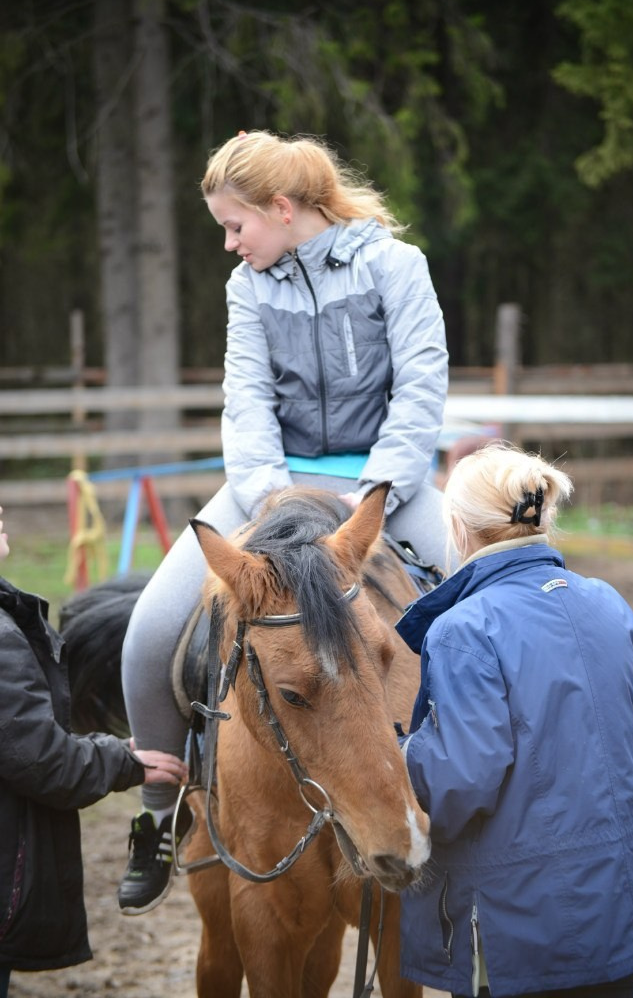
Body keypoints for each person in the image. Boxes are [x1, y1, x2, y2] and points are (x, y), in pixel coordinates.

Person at [118, 128, 450, 914]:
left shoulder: (396, 267)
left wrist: (379, 490)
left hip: (384, 487)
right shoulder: (247, 288)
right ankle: (158, 816)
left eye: (236, 227)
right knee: (147, 633)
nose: (230, 246)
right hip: (267, 487)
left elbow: (420, 387)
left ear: (280, 206)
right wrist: (271, 497)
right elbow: (248, 401)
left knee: (479, 608)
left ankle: (479, 815)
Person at [395, 442, 633, 998]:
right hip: (617, 906)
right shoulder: (608, 603)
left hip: (518, 927)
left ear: (458, 526)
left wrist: (397, 757)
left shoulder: (463, 631)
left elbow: (459, 782)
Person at [0, 506, 188, 997]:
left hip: (373, 489)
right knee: (159, 615)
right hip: (266, 488)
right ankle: (157, 830)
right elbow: (38, 759)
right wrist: (126, 762)